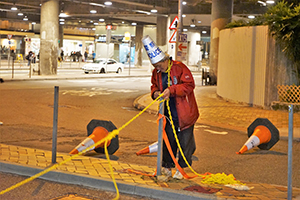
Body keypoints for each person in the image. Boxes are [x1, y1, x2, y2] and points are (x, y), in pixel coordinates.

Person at [142, 35, 199, 180]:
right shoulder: (157, 73)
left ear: (165, 60)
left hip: (184, 112)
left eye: (159, 65)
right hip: (167, 113)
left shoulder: (180, 68)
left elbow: (189, 85)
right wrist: (155, 93)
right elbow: (154, 85)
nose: (157, 68)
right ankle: (167, 167)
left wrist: (172, 90)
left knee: (185, 142)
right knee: (168, 141)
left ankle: (182, 168)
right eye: (155, 66)